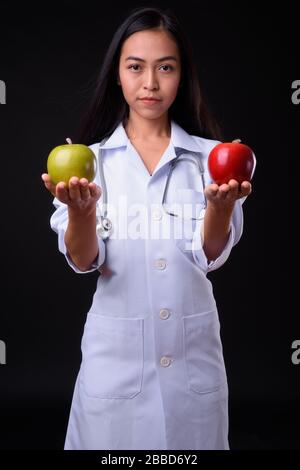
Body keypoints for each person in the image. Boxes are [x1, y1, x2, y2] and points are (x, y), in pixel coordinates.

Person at [42, 6, 253, 450]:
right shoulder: (90, 162)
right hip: (115, 365)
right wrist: (80, 212)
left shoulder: (213, 159)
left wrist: (219, 208)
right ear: (117, 74)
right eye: (135, 67)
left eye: (166, 68)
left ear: (183, 76)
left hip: (192, 362)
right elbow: (83, 260)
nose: (150, 83)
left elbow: (209, 255)